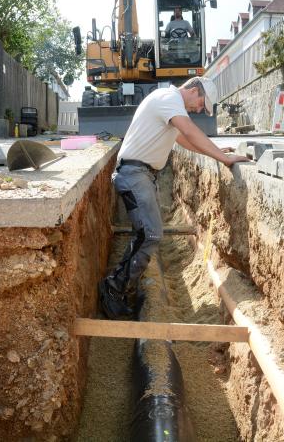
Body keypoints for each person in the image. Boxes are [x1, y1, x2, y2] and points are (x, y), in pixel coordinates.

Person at [98, 76, 250, 320]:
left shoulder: (169, 105)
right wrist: (225, 160)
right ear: (193, 89)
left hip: (142, 175)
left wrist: (217, 151)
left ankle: (122, 287)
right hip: (134, 173)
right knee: (150, 234)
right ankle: (113, 289)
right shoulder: (168, 99)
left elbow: (184, 140)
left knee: (146, 234)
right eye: (201, 103)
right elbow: (190, 130)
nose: (199, 109)